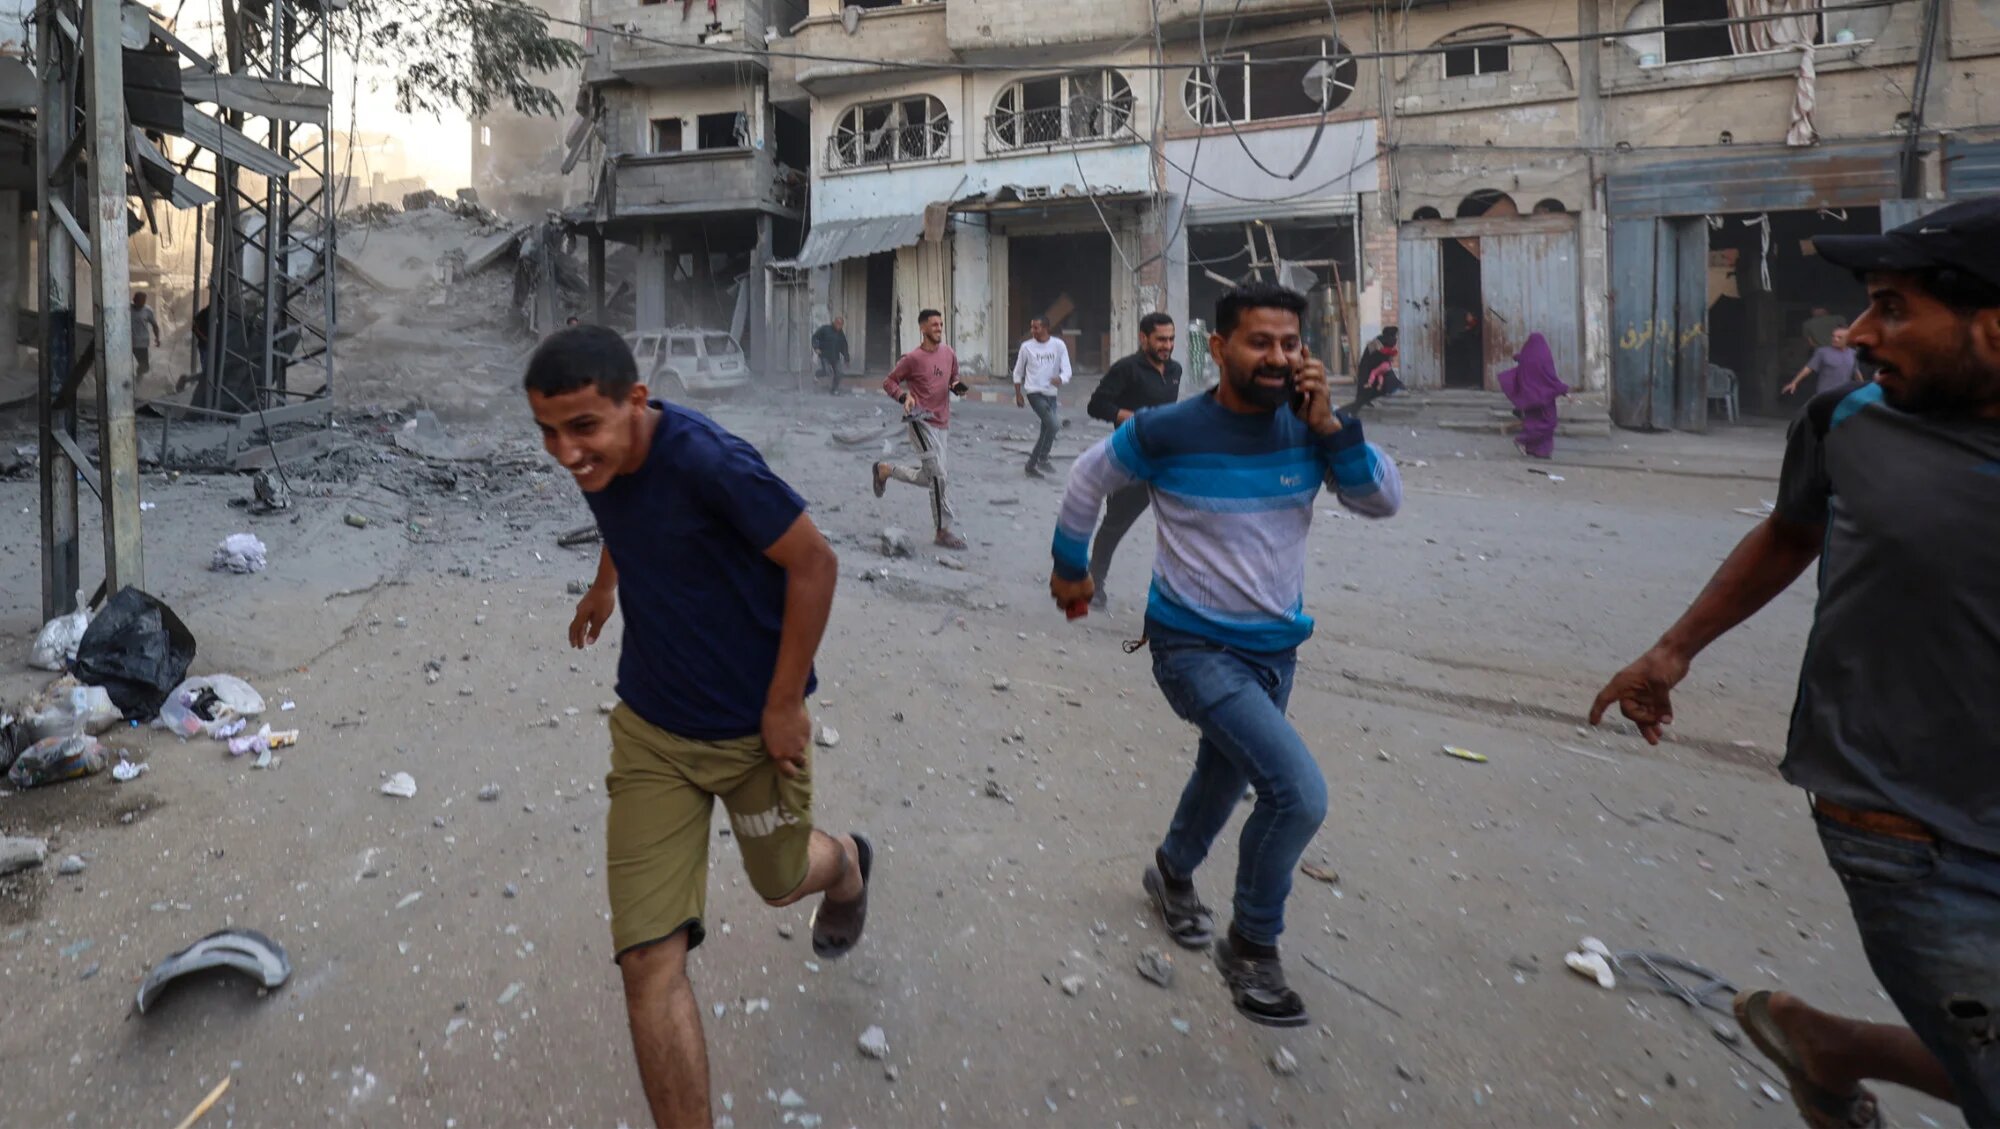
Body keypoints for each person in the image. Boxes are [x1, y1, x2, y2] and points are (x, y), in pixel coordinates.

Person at [1589, 195, 2000, 1129]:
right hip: (1901, 823)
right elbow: (1789, 533)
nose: (1857, 334)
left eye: (1891, 308)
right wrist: (1671, 652)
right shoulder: (1848, 420)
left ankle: (1833, 1045)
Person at [523, 325, 873, 1129]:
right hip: (652, 731)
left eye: (582, 427)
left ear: (636, 402)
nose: (566, 452)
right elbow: (620, 509)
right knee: (647, 961)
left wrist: (783, 703)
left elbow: (815, 563)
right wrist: (605, 584)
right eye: (548, 430)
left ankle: (849, 863)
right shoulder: (598, 459)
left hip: (754, 735)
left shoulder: (712, 463)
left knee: (781, 880)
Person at [1048, 284, 1403, 1027]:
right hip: (1192, 646)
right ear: (1219, 348)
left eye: (1289, 344)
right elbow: (1087, 478)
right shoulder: (1170, 428)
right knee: (1297, 794)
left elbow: (1380, 501)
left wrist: (1332, 425)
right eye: (1259, 342)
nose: (1277, 357)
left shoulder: (1313, 428)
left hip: (1276, 651)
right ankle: (1252, 946)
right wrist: (1070, 566)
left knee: (1228, 769)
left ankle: (1171, 872)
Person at [1083, 312, 1183, 609]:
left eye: (1171, 339)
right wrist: (1130, 416)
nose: (1167, 345)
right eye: (1161, 339)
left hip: (1164, 461)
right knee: (1115, 524)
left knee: (1184, 526)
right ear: (1144, 338)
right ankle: (1093, 582)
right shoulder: (1126, 369)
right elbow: (1096, 405)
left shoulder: (1175, 369)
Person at [871, 309, 971, 550]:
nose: (939, 328)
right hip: (920, 421)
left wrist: (959, 388)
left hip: (942, 423)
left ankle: (886, 470)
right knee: (938, 476)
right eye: (934, 324)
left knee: (930, 478)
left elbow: (953, 378)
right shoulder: (912, 359)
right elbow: (889, 382)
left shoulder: (949, 353)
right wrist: (904, 396)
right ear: (923, 328)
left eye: (941, 324)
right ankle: (942, 531)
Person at [1012, 317, 1072, 478]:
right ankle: (1043, 458)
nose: (1033, 331)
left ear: (1046, 328)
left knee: (1046, 430)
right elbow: (1018, 372)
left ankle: (1031, 465)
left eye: (1036, 328)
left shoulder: (1058, 345)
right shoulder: (1026, 347)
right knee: (1054, 425)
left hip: (1051, 394)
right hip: (1034, 392)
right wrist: (1018, 394)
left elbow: (1067, 370)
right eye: (1032, 327)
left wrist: (1061, 379)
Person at [1497, 333, 1569, 459]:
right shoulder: (1544, 358)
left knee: (1534, 421)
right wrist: (1564, 391)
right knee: (1549, 422)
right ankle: (1522, 440)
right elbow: (1549, 378)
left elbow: (1518, 359)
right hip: (1545, 397)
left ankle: (1537, 450)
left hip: (1530, 398)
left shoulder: (1527, 357)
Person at [1785, 325, 1860, 398]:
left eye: (1839, 337)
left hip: (1843, 396)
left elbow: (1856, 372)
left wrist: (1863, 388)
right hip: (1825, 395)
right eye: (1833, 336)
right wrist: (1794, 382)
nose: (1835, 339)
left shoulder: (1853, 354)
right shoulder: (1822, 352)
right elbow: (1808, 368)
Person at [1346, 326, 1402, 412]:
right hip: (1367, 364)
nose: (1396, 337)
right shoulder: (1380, 340)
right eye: (1395, 335)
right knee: (1366, 382)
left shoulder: (1384, 340)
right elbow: (1377, 353)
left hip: (1375, 364)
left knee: (1373, 381)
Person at [812, 316, 850, 395]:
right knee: (826, 372)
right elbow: (815, 337)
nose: (839, 326)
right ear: (834, 323)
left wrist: (847, 359)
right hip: (824, 355)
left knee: (839, 373)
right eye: (838, 324)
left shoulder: (840, 334)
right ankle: (817, 374)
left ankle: (834, 390)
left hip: (835, 357)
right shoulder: (825, 329)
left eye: (841, 324)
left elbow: (844, 346)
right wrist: (816, 347)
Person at [131, 292, 161, 377]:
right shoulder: (128, 308)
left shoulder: (148, 311)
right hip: (129, 342)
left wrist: (157, 338)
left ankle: (138, 379)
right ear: (134, 300)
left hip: (142, 343)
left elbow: (155, 325)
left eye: (143, 302)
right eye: (139, 301)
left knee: (145, 367)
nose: (141, 304)